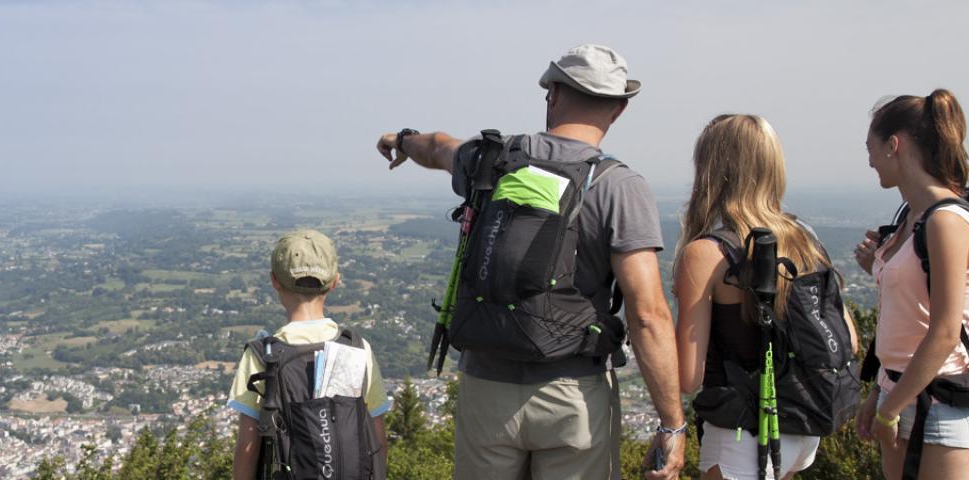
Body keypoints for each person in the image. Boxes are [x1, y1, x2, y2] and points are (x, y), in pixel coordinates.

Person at [373, 44, 687, 480]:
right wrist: (673, 422)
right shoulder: (619, 186)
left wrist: (401, 140)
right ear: (617, 110)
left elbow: (439, 147)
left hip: (486, 386)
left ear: (552, 94)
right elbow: (648, 314)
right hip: (573, 395)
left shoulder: (492, 159)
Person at [673, 114, 857, 479]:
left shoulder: (707, 253)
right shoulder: (803, 237)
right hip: (800, 427)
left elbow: (687, 378)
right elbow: (848, 338)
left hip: (741, 436)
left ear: (709, 170)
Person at [852, 89, 969, 479]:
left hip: (940, 399)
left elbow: (944, 332)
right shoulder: (914, 219)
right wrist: (880, 391)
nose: (870, 161)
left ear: (894, 144)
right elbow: (908, 318)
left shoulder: (946, 222)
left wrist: (890, 408)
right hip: (901, 392)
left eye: (871, 148)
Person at [227, 229, 389, 480]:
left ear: (274, 281)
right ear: (335, 281)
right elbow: (376, 433)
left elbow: (248, 446)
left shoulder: (262, 355)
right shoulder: (357, 347)